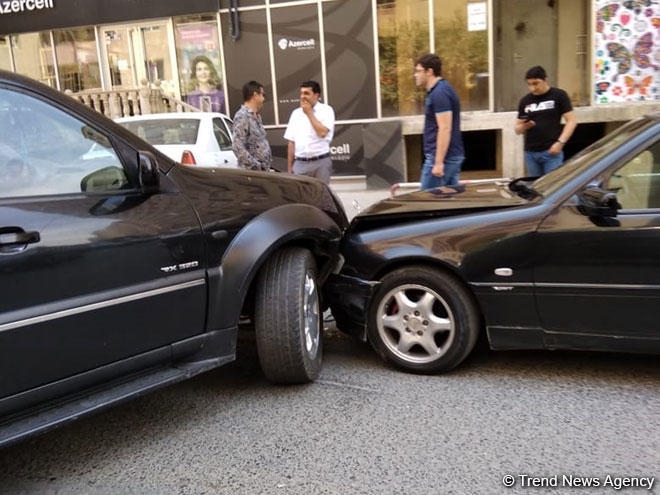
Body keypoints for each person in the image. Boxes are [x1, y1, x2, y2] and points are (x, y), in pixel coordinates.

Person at [414, 53, 464, 190]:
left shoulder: (439, 93)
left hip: (443, 158)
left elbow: (445, 128)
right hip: (449, 156)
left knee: (426, 202)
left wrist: (438, 162)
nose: (415, 75)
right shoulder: (440, 90)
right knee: (447, 204)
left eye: (418, 71)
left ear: (429, 72)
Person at [515, 65, 577, 176]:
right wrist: (525, 126)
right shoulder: (525, 101)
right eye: (529, 84)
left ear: (545, 80)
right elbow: (517, 130)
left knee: (552, 188)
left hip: (551, 151)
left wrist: (560, 143)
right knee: (534, 187)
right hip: (531, 153)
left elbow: (571, 121)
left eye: (536, 83)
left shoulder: (559, 95)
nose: (533, 88)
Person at [284, 80, 335, 184]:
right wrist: (290, 168)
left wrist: (309, 113)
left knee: (321, 197)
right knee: (300, 197)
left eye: (306, 93)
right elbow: (291, 142)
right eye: (301, 93)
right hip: (300, 164)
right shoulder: (296, 114)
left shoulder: (326, 110)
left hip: (321, 163)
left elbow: (322, 133)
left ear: (316, 95)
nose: (303, 96)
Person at [232, 80, 271, 171]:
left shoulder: (257, 116)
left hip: (262, 172)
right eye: (262, 95)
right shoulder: (242, 116)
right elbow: (237, 146)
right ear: (255, 95)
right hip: (251, 174)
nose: (263, 99)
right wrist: (255, 165)